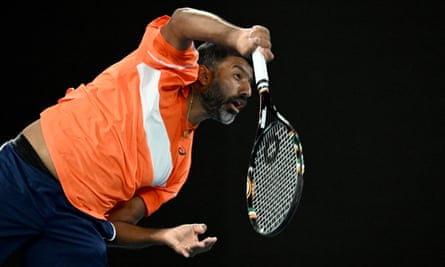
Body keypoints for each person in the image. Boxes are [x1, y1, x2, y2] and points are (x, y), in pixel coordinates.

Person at [0, 7, 273, 266]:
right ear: (202, 75)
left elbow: (116, 226)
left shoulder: (176, 168)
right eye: (238, 75)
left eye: (249, 82)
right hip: (21, 178)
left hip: (76, 223)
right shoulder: (163, 69)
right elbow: (181, 21)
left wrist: (163, 236)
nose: (248, 91)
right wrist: (238, 36)